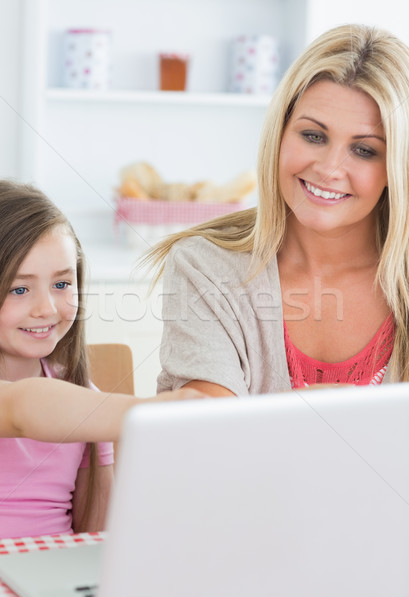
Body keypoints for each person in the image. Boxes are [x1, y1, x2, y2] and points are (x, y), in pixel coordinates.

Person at [144, 23, 408, 397]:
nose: (330, 169)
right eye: (313, 136)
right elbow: (207, 438)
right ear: (280, 133)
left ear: (396, 168)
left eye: (364, 150)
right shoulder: (205, 266)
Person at [0, 180, 203, 538]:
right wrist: (159, 410)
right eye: (20, 289)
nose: (46, 308)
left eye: (62, 284)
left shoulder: (82, 395)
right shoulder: (87, 407)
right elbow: (21, 410)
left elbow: (98, 539)